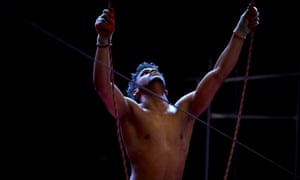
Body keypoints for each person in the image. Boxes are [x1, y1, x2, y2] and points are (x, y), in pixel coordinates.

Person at [93, 3, 259, 180]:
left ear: (166, 88)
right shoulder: (131, 111)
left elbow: (218, 75)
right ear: (135, 92)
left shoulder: (185, 109)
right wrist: (103, 40)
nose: (153, 71)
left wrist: (240, 32)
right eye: (145, 72)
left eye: (156, 70)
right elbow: (103, 86)